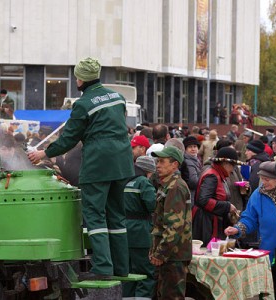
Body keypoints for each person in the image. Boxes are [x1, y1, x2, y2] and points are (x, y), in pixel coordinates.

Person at [27, 57, 134, 279]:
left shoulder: (83, 104)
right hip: (122, 163)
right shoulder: (118, 97)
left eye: (76, 76)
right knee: (117, 216)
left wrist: (43, 153)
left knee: (95, 215)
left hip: (98, 164)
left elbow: (68, 140)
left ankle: (103, 268)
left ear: (81, 79)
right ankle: (122, 268)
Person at [224, 161, 276, 299]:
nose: (263, 182)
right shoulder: (257, 195)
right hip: (269, 255)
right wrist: (237, 229)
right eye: (262, 178)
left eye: (267, 179)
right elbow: (249, 218)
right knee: (271, 294)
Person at [149, 146, 191, 299]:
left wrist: (160, 253)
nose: (157, 165)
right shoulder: (167, 185)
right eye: (157, 161)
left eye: (162, 161)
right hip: (170, 254)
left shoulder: (175, 187)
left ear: (175, 165)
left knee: (171, 296)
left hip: (173, 255)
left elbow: (174, 226)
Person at [122, 156, 157, 299]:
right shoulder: (143, 183)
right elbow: (152, 205)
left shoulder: (124, 181)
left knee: (128, 274)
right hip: (141, 232)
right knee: (145, 273)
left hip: (123, 231)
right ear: (148, 171)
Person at [192, 147, 240, 245]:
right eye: (232, 166)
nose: (232, 170)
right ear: (225, 164)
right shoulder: (212, 176)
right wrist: (227, 206)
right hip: (206, 224)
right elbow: (203, 200)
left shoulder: (219, 175)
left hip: (211, 222)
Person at [181, 136, 202, 205]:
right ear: (185, 149)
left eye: (195, 146)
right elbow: (193, 182)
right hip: (192, 196)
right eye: (190, 147)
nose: (193, 149)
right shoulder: (188, 162)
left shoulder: (195, 159)